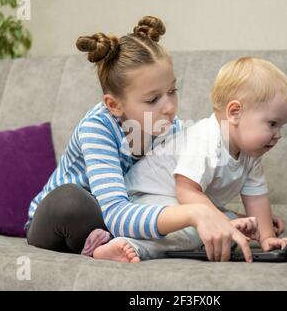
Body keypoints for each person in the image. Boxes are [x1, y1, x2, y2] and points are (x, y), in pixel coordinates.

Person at [25, 16, 267, 263]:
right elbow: (117, 213)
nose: (169, 107)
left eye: (172, 91)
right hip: (63, 221)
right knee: (71, 201)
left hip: (124, 215)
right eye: (153, 100)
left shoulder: (171, 128)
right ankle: (104, 242)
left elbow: (183, 194)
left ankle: (108, 245)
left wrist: (228, 218)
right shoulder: (97, 128)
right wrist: (196, 214)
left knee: (174, 204)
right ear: (114, 104)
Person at [92, 56, 287, 263]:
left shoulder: (251, 155)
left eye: (281, 126)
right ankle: (128, 246)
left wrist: (267, 236)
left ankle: (214, 232)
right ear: (235, 113)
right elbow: (186, 190)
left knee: (242, 224)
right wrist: (216, 222)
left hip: (179, 203)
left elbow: (257, 197)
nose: (278, 134)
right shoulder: (206, 139)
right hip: (144, 200)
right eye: (272, 124)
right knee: (197, 229)